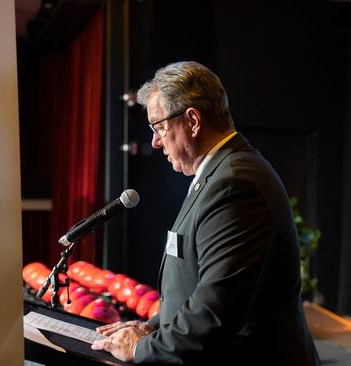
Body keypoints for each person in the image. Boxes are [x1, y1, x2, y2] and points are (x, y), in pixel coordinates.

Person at [91, 61, 321, 365]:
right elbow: (197, 286)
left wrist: (140, 349)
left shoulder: (235, 183)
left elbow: (215, 311)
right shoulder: (220, 173)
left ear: (193, 120)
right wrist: (152, 327)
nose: (155, 142)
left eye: (159, 127)